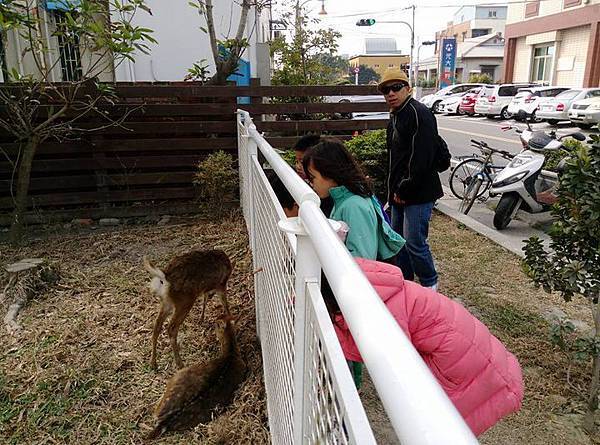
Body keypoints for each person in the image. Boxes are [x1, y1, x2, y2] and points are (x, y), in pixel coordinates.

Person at [321, 258, 524, 437]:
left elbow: (386, 357)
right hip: (474, 355)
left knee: (438, 431)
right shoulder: (365, 283)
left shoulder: (381, 310)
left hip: (470, 368)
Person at [379, 68, 444, 290]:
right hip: (400, 191)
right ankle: (406, 282)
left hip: (418, 192)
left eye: (396, 87)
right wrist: (392, 193)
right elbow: (395, 159)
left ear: (408, 88)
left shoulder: (419, 113)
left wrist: (403, 190)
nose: (391, 93)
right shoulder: (396, 115)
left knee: (415, 242)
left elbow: (421, 160)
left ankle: (429, 282)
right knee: (398, 242)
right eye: (386, 90)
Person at [302, 138, 405, 262]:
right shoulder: (343, 198)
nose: (312, 184)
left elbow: (363, 259)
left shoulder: (354, 206)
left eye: (313, 178)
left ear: (330, 173)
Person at [293, 134, 334, 218]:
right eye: (296, 161)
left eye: (302, 162)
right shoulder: (303, 182)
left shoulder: (326, 189)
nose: (298, 166)